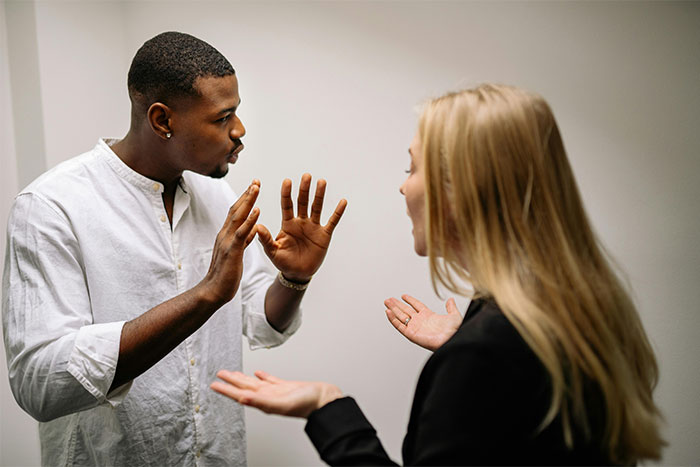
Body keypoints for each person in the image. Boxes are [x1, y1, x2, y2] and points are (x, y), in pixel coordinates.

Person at [211, 84, 666, 465]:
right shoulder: (573, 309)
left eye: (412, 167)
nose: (403, 185)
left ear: (460, 190)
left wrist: (327, 405)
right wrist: (471, 338)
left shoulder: (486, 354)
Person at [2, 31, 346, 466]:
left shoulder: (218, 197)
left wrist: (294, 279)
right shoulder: (52, 207)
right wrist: (204, 296)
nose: (239, 132)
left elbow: (261, 321)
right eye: (223, 118)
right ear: (163, 120)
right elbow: (40, 383)